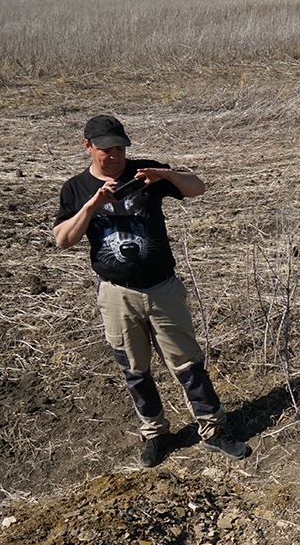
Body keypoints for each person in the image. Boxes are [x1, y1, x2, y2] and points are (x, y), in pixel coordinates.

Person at [54, 115, 250, 467]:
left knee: (189, 363)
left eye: (120, 148)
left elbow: (197, 188)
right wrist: (92, 206)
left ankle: (214, 430)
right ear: (88, 147)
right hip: (116, 294)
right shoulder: (76, 188)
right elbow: (63, 240)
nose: (115, 157)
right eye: (106, 150)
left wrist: (165, 176)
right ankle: (155, 433)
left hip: (163, 287)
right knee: (134, 369)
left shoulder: (145, 171)